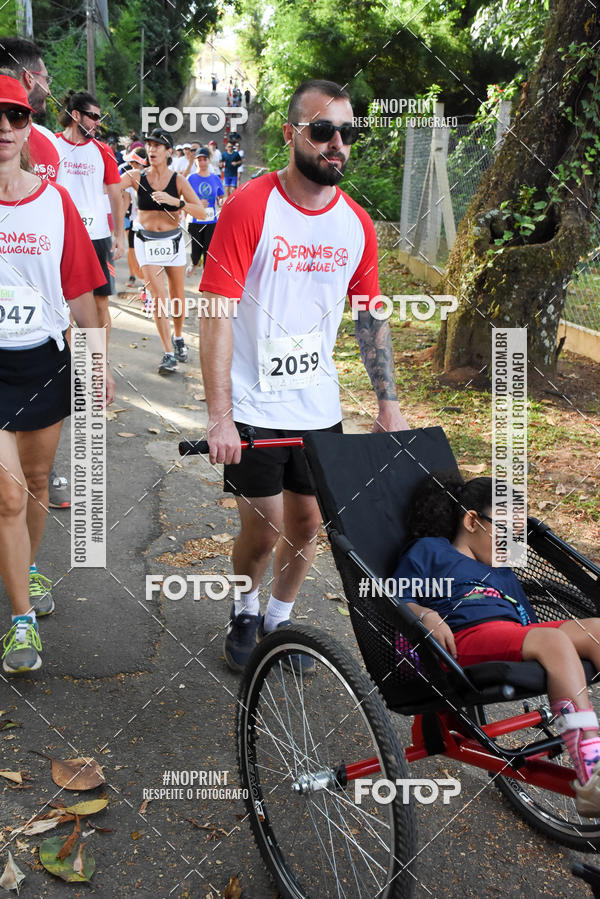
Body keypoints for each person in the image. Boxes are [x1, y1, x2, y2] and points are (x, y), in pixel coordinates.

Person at [199, 78, 409, 673]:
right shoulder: (250, 208)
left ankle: (279, 620)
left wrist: (387, 403)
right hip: (254, 403)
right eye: (322, 131)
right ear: (293, 135)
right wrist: (219, 416)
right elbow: (216, 313)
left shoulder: (357, 225)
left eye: (346, 132)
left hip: (317, 403)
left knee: (309, 523)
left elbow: (370, 315)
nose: (336, 143)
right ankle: (243, 607)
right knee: (263, 530)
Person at [394, 472, 600, 815]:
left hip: (511, 634)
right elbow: (391, 597)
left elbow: (525, 620)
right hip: (461, 639)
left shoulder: (502, 569)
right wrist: (424, 614)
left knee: (596, 629)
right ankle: (590, 771)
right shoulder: (430, 551)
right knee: (552, 640)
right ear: (472, 521)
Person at [0, 75, 115, 673]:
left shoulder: (54, 202)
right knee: (8, 495)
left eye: (15, 116)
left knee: (40, 481)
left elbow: (81, 290)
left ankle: (32, 569)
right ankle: (20, 622)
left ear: (27, 128)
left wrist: (96, 362)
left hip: (43, 360)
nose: (4, 126)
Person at [0, 39, 68, 509]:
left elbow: (52, 245)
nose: (49, 83)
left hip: (41, 346)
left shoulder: (46, 147)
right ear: (29, 78)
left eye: (17, 118)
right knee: (10, 494)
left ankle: (22, 567)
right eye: (43, 74)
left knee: (29, 482)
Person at [120, 127, 208, 374]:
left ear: (168, 151)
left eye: (157, 145)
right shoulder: (137, 176)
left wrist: (176, 202)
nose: (151, 149)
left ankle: (179, 337)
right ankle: (168, 352)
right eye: (148, 145)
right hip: (146, 241)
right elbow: (112, 185)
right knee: (159, 297)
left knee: (177, 296)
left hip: (172, 242)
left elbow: (201, 212)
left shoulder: (178, 180)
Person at [55, 90, 124, 342]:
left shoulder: (103, 151)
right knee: (65, 307)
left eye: (98, 117)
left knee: (99, 304)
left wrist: (120, 235)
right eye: (93, 117)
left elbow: (117, 195)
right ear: (75, 115)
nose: (98, 122)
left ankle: (95, 367)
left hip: (97, 237)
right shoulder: (52, 145)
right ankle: (70, 367)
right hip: (61, 237)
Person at [186, 147, 224, 277]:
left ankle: (207, 276)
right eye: (199, 160)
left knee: (209, 250)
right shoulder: (190, 179)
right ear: (195, 161)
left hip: (211, 220)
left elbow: (221, 196)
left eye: (204, 159)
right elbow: (183, 200)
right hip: (195, 220)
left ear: (209, 160)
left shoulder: (215, 179)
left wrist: (220, 202)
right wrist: (196, 203)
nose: (202, 163)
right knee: (196, 250)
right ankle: (194, 262)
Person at [121, 148, 147, 285]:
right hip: (133, 221)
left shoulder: (152, 178)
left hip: (149, 224)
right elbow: (126, 199)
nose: (130, 164)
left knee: (146, 254)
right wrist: (120, 220)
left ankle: (146, 283)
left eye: (133, 162)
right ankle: (133, 276)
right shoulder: (128, 178)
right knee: (131, 250)